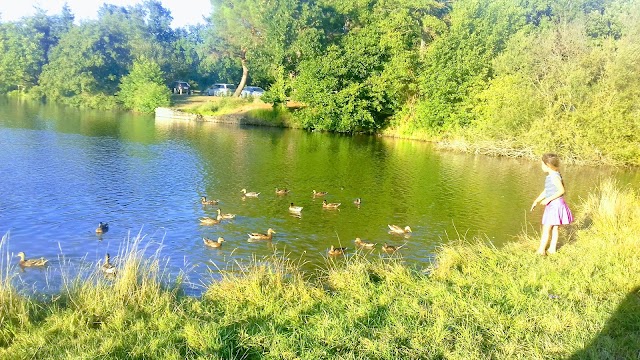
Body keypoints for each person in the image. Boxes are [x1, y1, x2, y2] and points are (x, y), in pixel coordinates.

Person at [530, 153, 573, 255]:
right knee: (554, 228)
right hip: (556, 204)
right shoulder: (553, 175)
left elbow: (561, 190)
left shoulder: (553, 176)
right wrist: (536, 201)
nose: (541, 166)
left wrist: (548, 199)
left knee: (546, 228)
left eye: (542, 164)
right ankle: (552, 249)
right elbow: (547, 190)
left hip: (555, 205)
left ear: (547, 165)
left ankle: (541, 250)